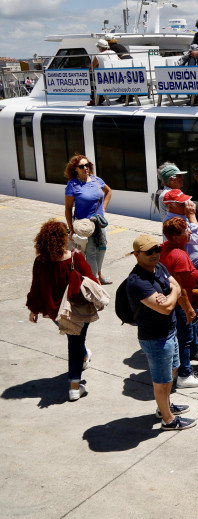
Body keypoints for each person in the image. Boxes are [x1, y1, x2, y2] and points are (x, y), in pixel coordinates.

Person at [125, 235, 196, 430]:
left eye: (157, 249)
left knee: (172, 371)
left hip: (169, 332)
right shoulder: (138, 281)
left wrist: (173, 294)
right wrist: (173, 292)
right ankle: (168, 420)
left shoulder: (159, 268)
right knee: (161, 381)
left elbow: (177, 292)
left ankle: (164, 407)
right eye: (150, 252)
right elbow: (166, 307)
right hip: (155, 338)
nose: (155, 254)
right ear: (137, 255)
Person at [26, 220, 99, 401]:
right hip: (76, 309)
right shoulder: (75, 257)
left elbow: (35, 286)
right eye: (67, 231)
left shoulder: (40, 261)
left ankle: (84, 356)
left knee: (74, 336)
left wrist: (33, 309)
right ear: (62, 237)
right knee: (74, 342)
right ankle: (74, 386)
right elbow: (91, 279)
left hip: (55, 312)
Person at [160, 217, 198, 389]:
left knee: (174, 340)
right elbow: (178, 289)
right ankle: (184, 375)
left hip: (168, 304)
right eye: (185, 230)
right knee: (184, 339)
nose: (189, 232)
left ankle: (175, 371)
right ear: (175, 237)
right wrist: (189, 310)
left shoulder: (164, 248)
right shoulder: (178, 255)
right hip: (179, 306)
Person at [64, 154, 112, 284]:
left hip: (99, 222)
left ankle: (99, 274)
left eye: (87, 165)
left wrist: (104, 209)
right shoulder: (72, 185)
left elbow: (109, 192)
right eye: (81, 166)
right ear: (75, 169)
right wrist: (71, 228)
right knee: (91, 251)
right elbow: (68, 208)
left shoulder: (97, 180)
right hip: (84, 224)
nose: (85, 168)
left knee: (102, 248)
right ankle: (94, 279)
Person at [161, 189, 198, 270]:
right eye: (182, 204)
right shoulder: (173, 223)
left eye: (186, 201)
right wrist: (192, 215)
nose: (186, 205)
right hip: (190, 268)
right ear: (171, 206)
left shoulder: (183, 214)